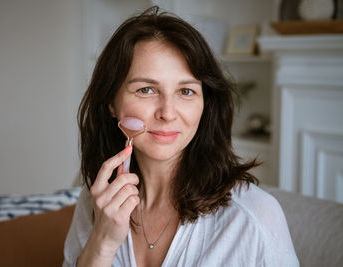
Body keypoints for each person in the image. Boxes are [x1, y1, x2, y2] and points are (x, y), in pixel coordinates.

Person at [63, 6, 299, 267]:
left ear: (205, 103)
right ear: (110, 101)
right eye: (146, 89)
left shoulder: (255, 216)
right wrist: (102, 244)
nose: (168, 113)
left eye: (186, 91)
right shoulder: (98, 201)